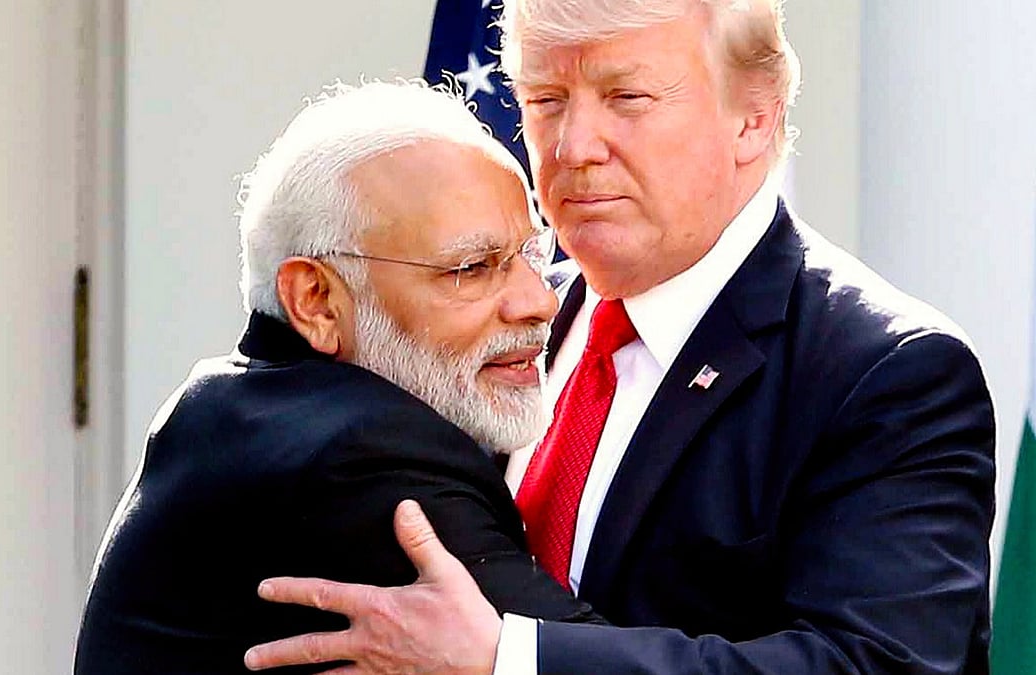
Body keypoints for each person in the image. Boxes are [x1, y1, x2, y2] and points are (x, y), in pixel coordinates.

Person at [243, 1, 996, 673]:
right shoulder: (487, 311)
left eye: (626, 98)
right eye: (546, 100)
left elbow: (876, 663)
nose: (573, 147)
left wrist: (511, 659)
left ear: (754, 118)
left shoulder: (886, 373)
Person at [72, 81, 603, 675]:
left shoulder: (233, 408)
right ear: (316, 300)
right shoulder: (363, 457)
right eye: (472, 268)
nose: (540, 301)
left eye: (531, 256)